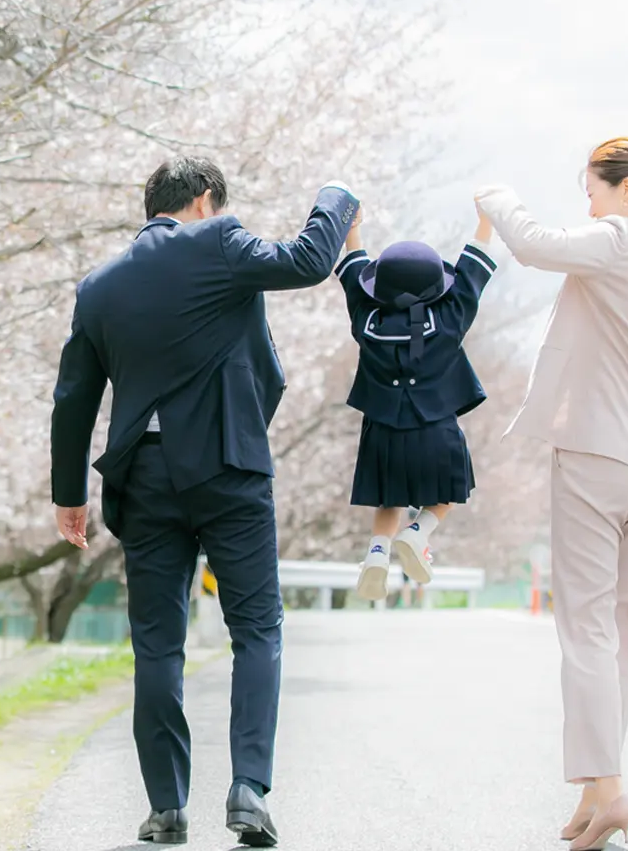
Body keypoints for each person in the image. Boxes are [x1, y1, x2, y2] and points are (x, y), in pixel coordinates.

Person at [49, 157, 358, 847]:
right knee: (257, 628)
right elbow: (310, 259)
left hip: (144, 475)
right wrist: (336, 197)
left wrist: (69, 495)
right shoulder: (220, 243)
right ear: (205, 201)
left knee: (158, 644)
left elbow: (74, 400)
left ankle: (166, 808)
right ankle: (249, 789)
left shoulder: (98, 288)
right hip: (227, 465)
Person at [475, 137, 628, 851]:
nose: (585, 203)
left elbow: (531, 243)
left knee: (583, 626)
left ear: (624, 190)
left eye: (589, 188)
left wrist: (496, 198)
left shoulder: (615, 240)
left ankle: (609, 790)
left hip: (593, 456)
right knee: (619, 633)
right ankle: (595, 792)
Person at [334, 206, 499, 599]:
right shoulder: (449, 318)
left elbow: (354, 275)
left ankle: (377, 551)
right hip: (435, 427)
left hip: (382, 432)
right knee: (447, 495)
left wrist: (352, 231)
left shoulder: (366, 321)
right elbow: (472, 273)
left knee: (389, 498)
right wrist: (485, 221)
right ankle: (419, 531)